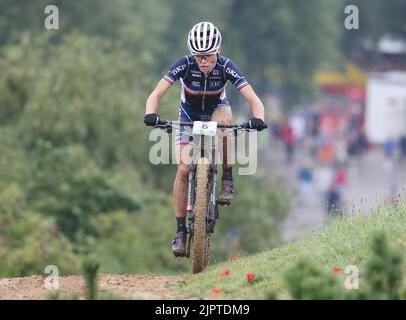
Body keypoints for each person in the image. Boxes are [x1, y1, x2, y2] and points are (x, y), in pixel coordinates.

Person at [144, 22, 267, 257]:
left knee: (225, 124)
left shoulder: (226, 67)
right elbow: (156, 92)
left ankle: (227, 178)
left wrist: (258, 118)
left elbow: (254, 99)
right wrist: (151, 113)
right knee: (182, 169)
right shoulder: (184, 65)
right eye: (198, 56)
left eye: (208, 56)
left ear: (217, 51)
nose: (203, 61)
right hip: (188, 115)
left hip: (217, 109)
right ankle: (180, 232)